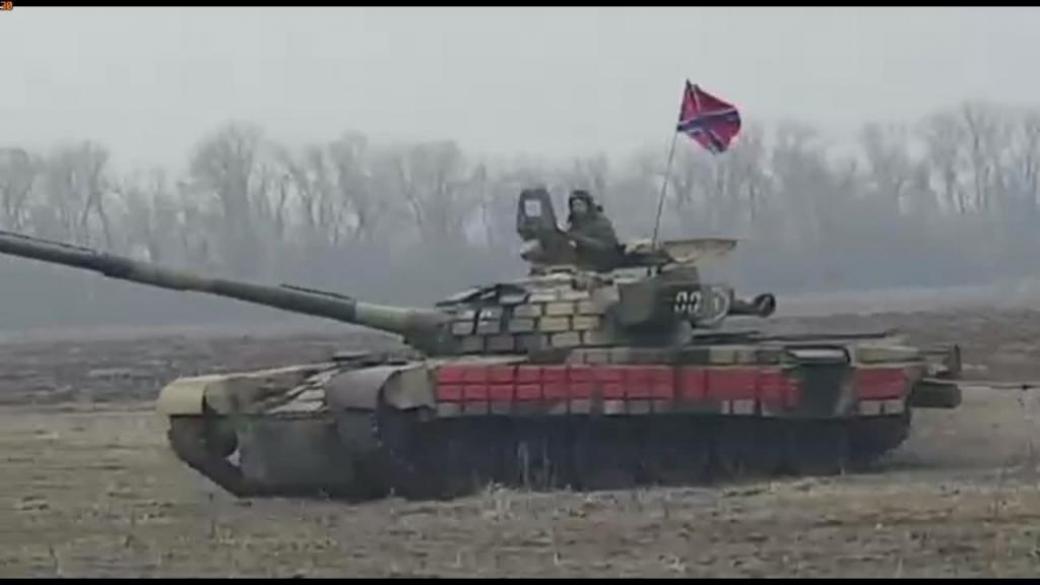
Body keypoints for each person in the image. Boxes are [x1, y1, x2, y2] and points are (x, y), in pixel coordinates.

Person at [565, 190, 623, 271]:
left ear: (588, 205)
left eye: (580, 205)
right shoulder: (573, 223)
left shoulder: (600, 222)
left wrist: (579, 239)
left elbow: (607, 246)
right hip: (581, 264)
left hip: (602, 265)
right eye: (574, 205)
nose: (576, 208)